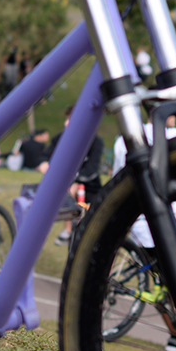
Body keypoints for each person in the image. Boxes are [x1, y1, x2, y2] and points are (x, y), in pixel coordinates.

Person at [112, 117, 176, 351]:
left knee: (161, 283)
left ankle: (175, 335)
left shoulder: (122, 141)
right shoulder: (175, 136)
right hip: (173, 221)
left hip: (141, 224)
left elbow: (118, 180)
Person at [39, 104, 103, 245]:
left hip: (89, 184)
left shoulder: (95, 141)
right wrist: (44, 163)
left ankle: (80, 231)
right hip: (66, 183)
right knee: (66, 191)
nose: (66, 123)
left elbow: (92, 169)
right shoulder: (60, 138)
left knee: (73, 191)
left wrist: (75, 180)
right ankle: (68, 230)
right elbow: (45, 156)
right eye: (67, 119)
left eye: (71, 119)